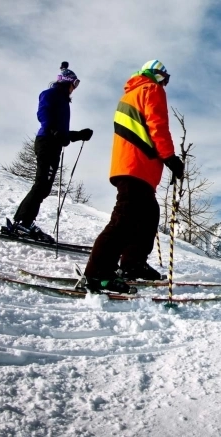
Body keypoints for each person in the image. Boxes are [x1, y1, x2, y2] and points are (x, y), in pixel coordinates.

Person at [83, 59, 184, 293]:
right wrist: (170, 158)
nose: (165, 84)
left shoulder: (129, 95)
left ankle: (132, 264)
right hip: (137, 165)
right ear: (154, 75)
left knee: (148, 215)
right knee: (124, 220)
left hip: (133, 165)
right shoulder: (151, 89)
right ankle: (97, 273)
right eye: (164, 78)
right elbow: (157, 125)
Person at [3, 61, 93, 242]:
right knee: (42, 184)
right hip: (46, 143)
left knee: (44, 186)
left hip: (53, 144)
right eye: (74, 84)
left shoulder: (63, 101)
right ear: (67, 82)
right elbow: (43, 114)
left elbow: (63, 134)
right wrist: (54, 131)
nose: (74, 88)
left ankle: (24, 222)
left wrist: (78, 135)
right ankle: (22, 223)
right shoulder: (50, 94)